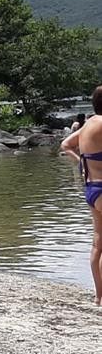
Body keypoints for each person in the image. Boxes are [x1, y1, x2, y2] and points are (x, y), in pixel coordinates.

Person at [61, 87, 102, 305]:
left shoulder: (88, 125)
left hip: (91, 189)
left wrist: (81, 164)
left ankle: (98, 297)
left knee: (98, 245)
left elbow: (65, 144)